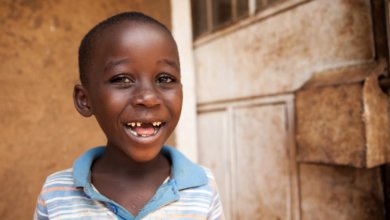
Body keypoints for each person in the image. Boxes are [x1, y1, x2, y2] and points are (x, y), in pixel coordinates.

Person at [34, 12, 224, 220]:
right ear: (84, 99)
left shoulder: (202, 188)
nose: (149, 98)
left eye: (164, 78)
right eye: (122, 79)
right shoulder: (56, 194)